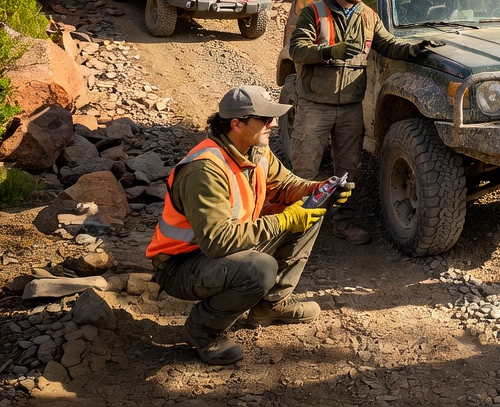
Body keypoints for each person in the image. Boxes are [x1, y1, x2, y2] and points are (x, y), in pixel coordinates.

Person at [147, 85, 352, 365]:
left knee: (311, 210)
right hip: (182, 266)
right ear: (237, 124)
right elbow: (218, 241)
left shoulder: (255, 150)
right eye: (265, 119)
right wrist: (284, 220)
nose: (274, 124)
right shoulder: (205, 169)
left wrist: (319, 190)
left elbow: (287, 186)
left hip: (219, 252)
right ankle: (203, 329)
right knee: (260, 268)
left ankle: (269, 306)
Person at [289, 0, 440, 244]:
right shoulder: (315, 13)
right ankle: (296, 228)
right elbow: (297, 49)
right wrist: (330, 51)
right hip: (314, 106)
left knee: (348, 170)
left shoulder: (369, 16)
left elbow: (387, 44)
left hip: (350, 107)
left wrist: (412, 48)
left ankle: (344, 223)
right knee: (305, 168)